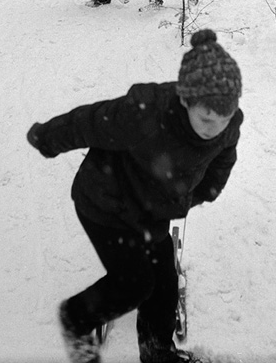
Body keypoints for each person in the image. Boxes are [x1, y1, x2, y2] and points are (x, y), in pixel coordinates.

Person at [26, 28, 243, 363]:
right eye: (206, 118)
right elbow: (90, 122)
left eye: (224, 118)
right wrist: (47, 138)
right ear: (185, 99)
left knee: (165, 284)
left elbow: (224, 156)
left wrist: (205, 191)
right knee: (135, 283)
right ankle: (77, 318)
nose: (214, 127)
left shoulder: (227, 125)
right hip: (105, 204)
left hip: (151, 210)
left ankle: (157, 351)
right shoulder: (145, 113)